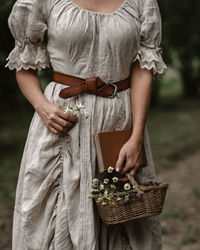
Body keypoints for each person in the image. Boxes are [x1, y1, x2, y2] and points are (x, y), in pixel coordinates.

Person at [6, 0, 167, 249]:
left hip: (119, 125)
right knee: (54, 217)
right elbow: (24, 66)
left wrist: (135, 138)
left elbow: (143, 68)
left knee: (123, 214)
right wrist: (43, 108)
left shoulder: (142, 2)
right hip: (61, 124)